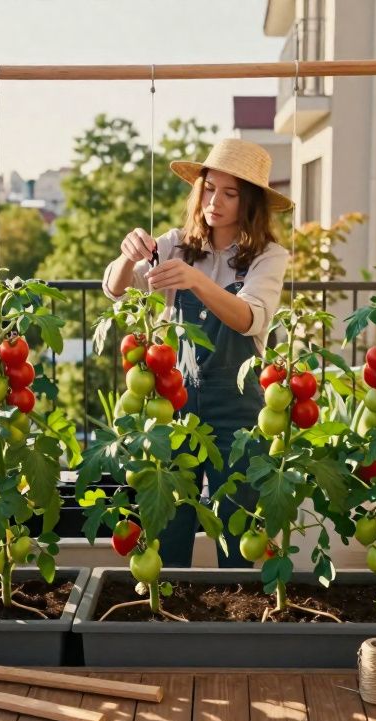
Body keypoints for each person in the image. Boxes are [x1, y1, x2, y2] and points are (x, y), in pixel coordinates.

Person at [102, 138, 291, 567]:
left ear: (250, 203)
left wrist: (196, 281)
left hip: (239, 413)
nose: (214, 201)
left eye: (230, 193)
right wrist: (126, 256)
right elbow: (115, 289)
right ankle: (168, 603)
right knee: (169, 528)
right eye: (208, 189)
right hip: (175, 404)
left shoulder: (268, 257)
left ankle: (238, 609)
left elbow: (249, 318)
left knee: (237, 532)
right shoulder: (174, 244)